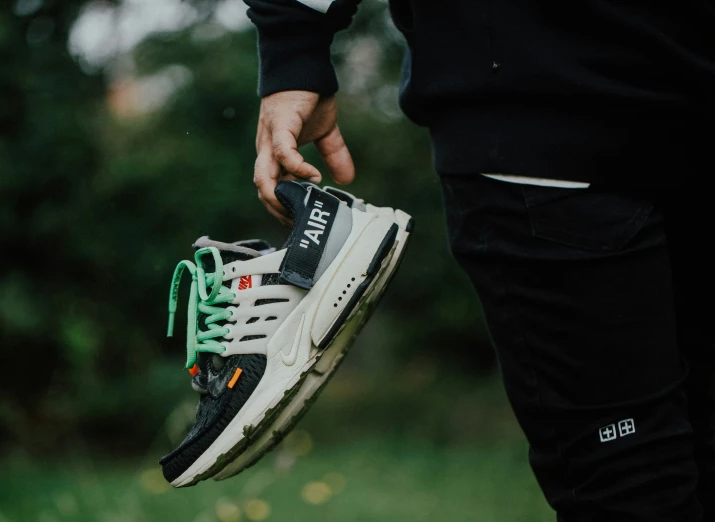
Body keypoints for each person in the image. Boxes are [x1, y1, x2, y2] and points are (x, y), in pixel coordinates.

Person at [241, 0, 715, 520]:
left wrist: (293, 49)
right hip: (538, 124)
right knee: (635, 487)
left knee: (635, 489)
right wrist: (293, 49)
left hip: (531, 107)